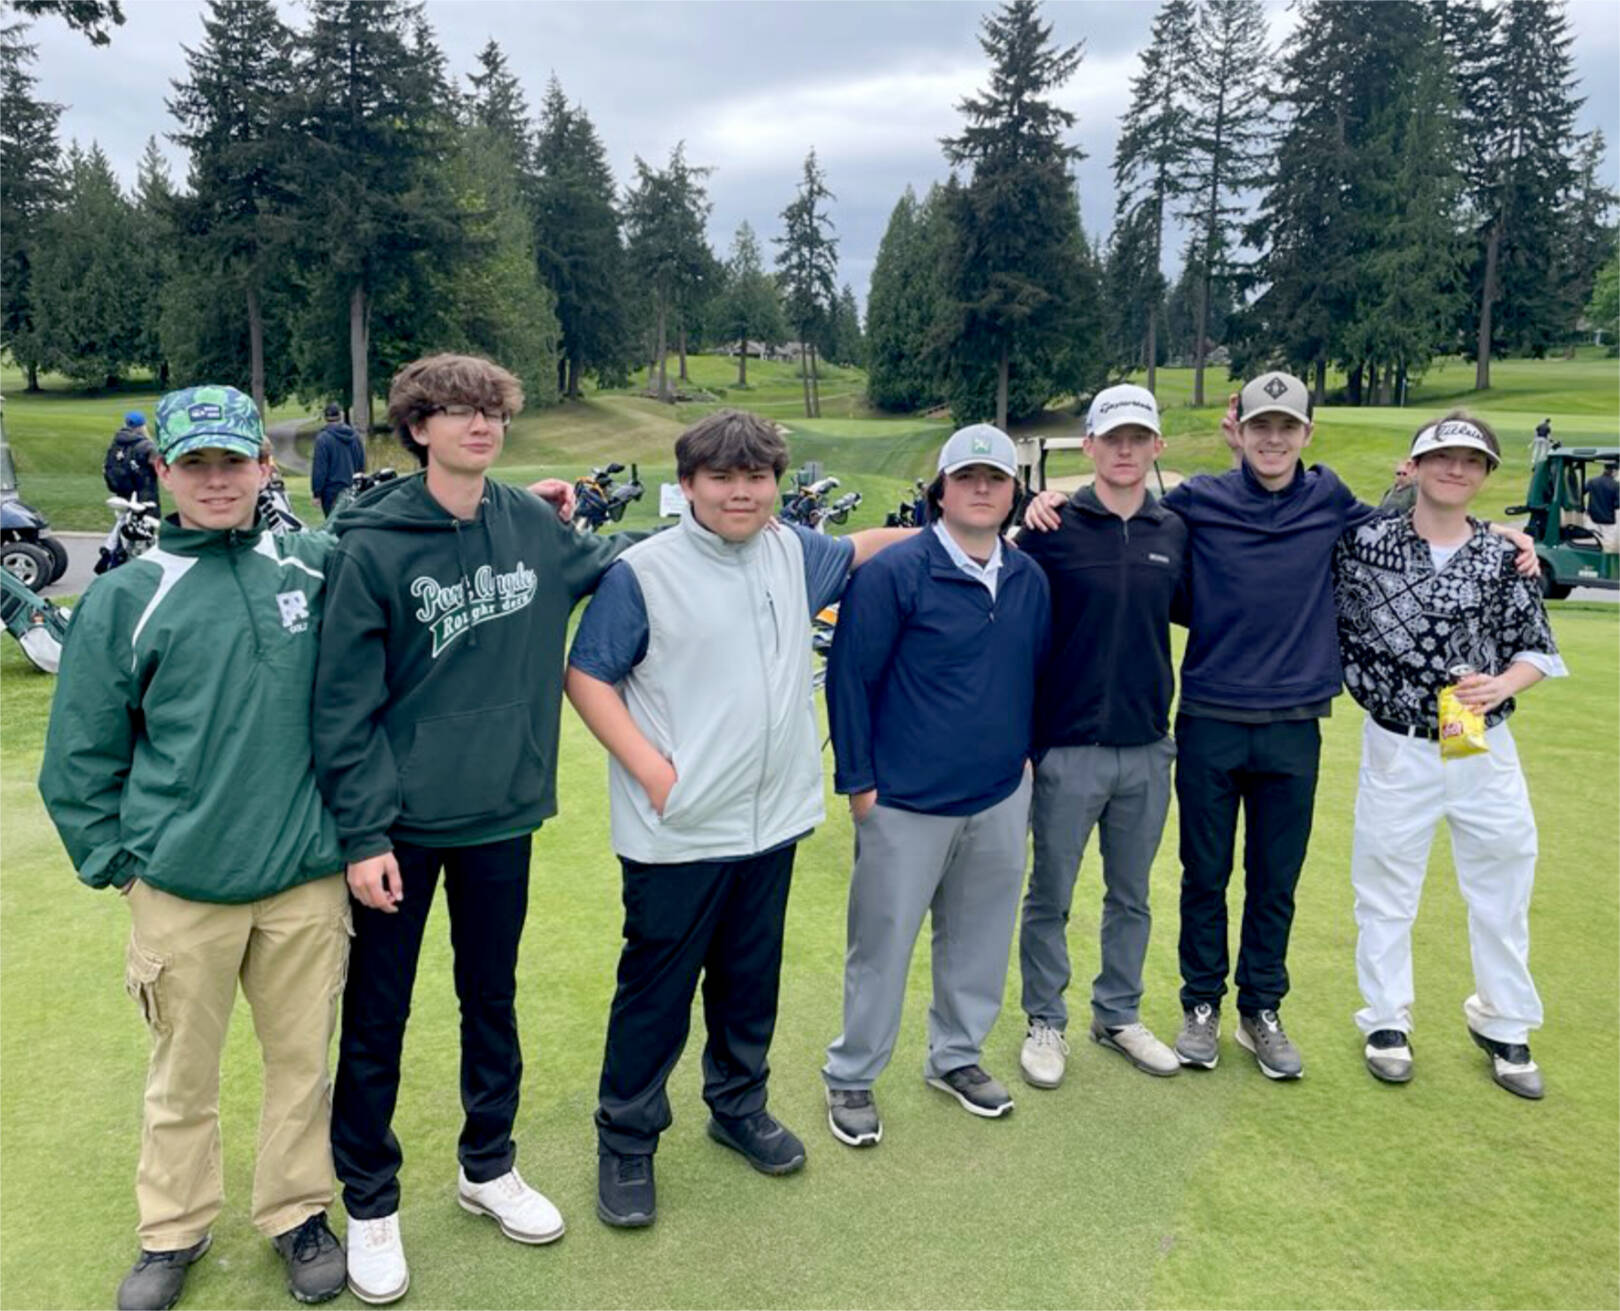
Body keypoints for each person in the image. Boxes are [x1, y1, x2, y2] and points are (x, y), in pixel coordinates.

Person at [1024, 376, 1541, 1083]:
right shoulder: (1195, 503)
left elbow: (1417, 524)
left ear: (1306, 433)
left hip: (1296, 721)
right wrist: (1046, 499)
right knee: (1204, 875)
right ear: (1237, 428)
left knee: (1276, 879)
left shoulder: (1330, 500)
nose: (1274, 439)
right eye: (1261, 425)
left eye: (1287, 426)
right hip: (1209, 715)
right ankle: (1201, 1003)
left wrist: (1500, 533)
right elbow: (1123, 511)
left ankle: (1260, 1008)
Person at [311, 354, 627, 1305]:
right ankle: (369, 1201)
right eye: (455, 411)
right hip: (400, 829)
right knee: (378, 1019)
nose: (479, 425)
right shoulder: (370, 544)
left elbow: (610, 560)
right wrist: (364, 835)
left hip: (503, 816)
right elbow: (342, 706)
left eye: (490, 409)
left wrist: (731, 523)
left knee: (493, 999)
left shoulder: (533, 523)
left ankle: (487, 1164)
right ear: (418, 428)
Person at [40, 385, 349, 1311]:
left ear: (266, 467)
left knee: (303, 1066)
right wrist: (122, 868)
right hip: (181, 888)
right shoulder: (128, 595)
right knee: (182, 1076)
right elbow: (80, 756)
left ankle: (296, 1212)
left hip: (305, 880)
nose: (218, 481)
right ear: (163, 472)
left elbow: (418, 553)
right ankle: (172, 1230)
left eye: (235, 462)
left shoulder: (313, 565)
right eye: (196, 465)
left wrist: (520, 506)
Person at [565, 409, 910, 1226]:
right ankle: (626, 1139)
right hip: (678, 829)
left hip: (773, 819)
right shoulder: (643, 571)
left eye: (757, 477)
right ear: (687, 484)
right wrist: (654, 772)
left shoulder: (793, 548)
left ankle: (737, 1106)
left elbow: (861, 550)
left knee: (749, 981)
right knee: (656, 991)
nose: (741, 492)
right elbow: (587, 675)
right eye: (721, 477)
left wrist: (969, 530)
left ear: (776, 485)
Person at [822, 424, 1050, 1147]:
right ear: (941, 489)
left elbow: (1036, 674)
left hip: (997, 794)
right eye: (968, 477)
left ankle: (955, 1056)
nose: (982, 488)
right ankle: (852, 1073)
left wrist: (1026, 761)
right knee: (882, 944)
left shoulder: (1028, 578)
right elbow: (851, 681)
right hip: (904, 800)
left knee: (979, 939)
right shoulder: (896, 573)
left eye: (996, 477)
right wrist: (859, 785)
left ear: (1014, 491)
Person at [1334, 414, 1565, 1098]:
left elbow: (1537, 650)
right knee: (1385, 885)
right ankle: (1385, 1018)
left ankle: (1504, 1021)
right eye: (1443, 457)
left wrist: (1504, 682)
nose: (1456, 470)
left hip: (1474, 731)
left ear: (1487, 475)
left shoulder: (1503, 557)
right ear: (1415, 464)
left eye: (1472, 461)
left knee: (1503, 876)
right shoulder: (1363, 543)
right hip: (1395, 735)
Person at [1014, 385, 1187, 1088]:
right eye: (1111, 437)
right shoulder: (1049, 528)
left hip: (1147, 744)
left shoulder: (1173, 531)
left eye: (1137, 437)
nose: (1124, 449)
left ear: (1155, 448)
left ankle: (1116, 1013)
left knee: (1132, 893)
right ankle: (1044, 1019)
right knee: (1050, 892)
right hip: (1067, 745)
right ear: (1087, 445)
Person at [310, 403, 366, 519]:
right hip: (352, 488)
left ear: (325, 417)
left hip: (331, 492)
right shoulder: (354, 436)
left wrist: (317, 493)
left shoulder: (323, 438)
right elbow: (361, 463)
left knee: (333, 526)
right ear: (340, 415)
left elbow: (320, 468)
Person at [104, 409, 161, 508]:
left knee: (126, 520)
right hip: (145, 494)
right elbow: (158, 465)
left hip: (122, 493)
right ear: (142, 426)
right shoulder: (146, 445)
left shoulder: (116, 442)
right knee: (148, 521)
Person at [1585, 459, 1618, 554]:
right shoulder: (1616, 485)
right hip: (1609, 521)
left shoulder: (1592, 481)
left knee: (1592, 543)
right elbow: (1617, 505)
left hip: (1593, 519)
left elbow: (1581, 492)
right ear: (1614, 471)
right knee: (1608, 545)